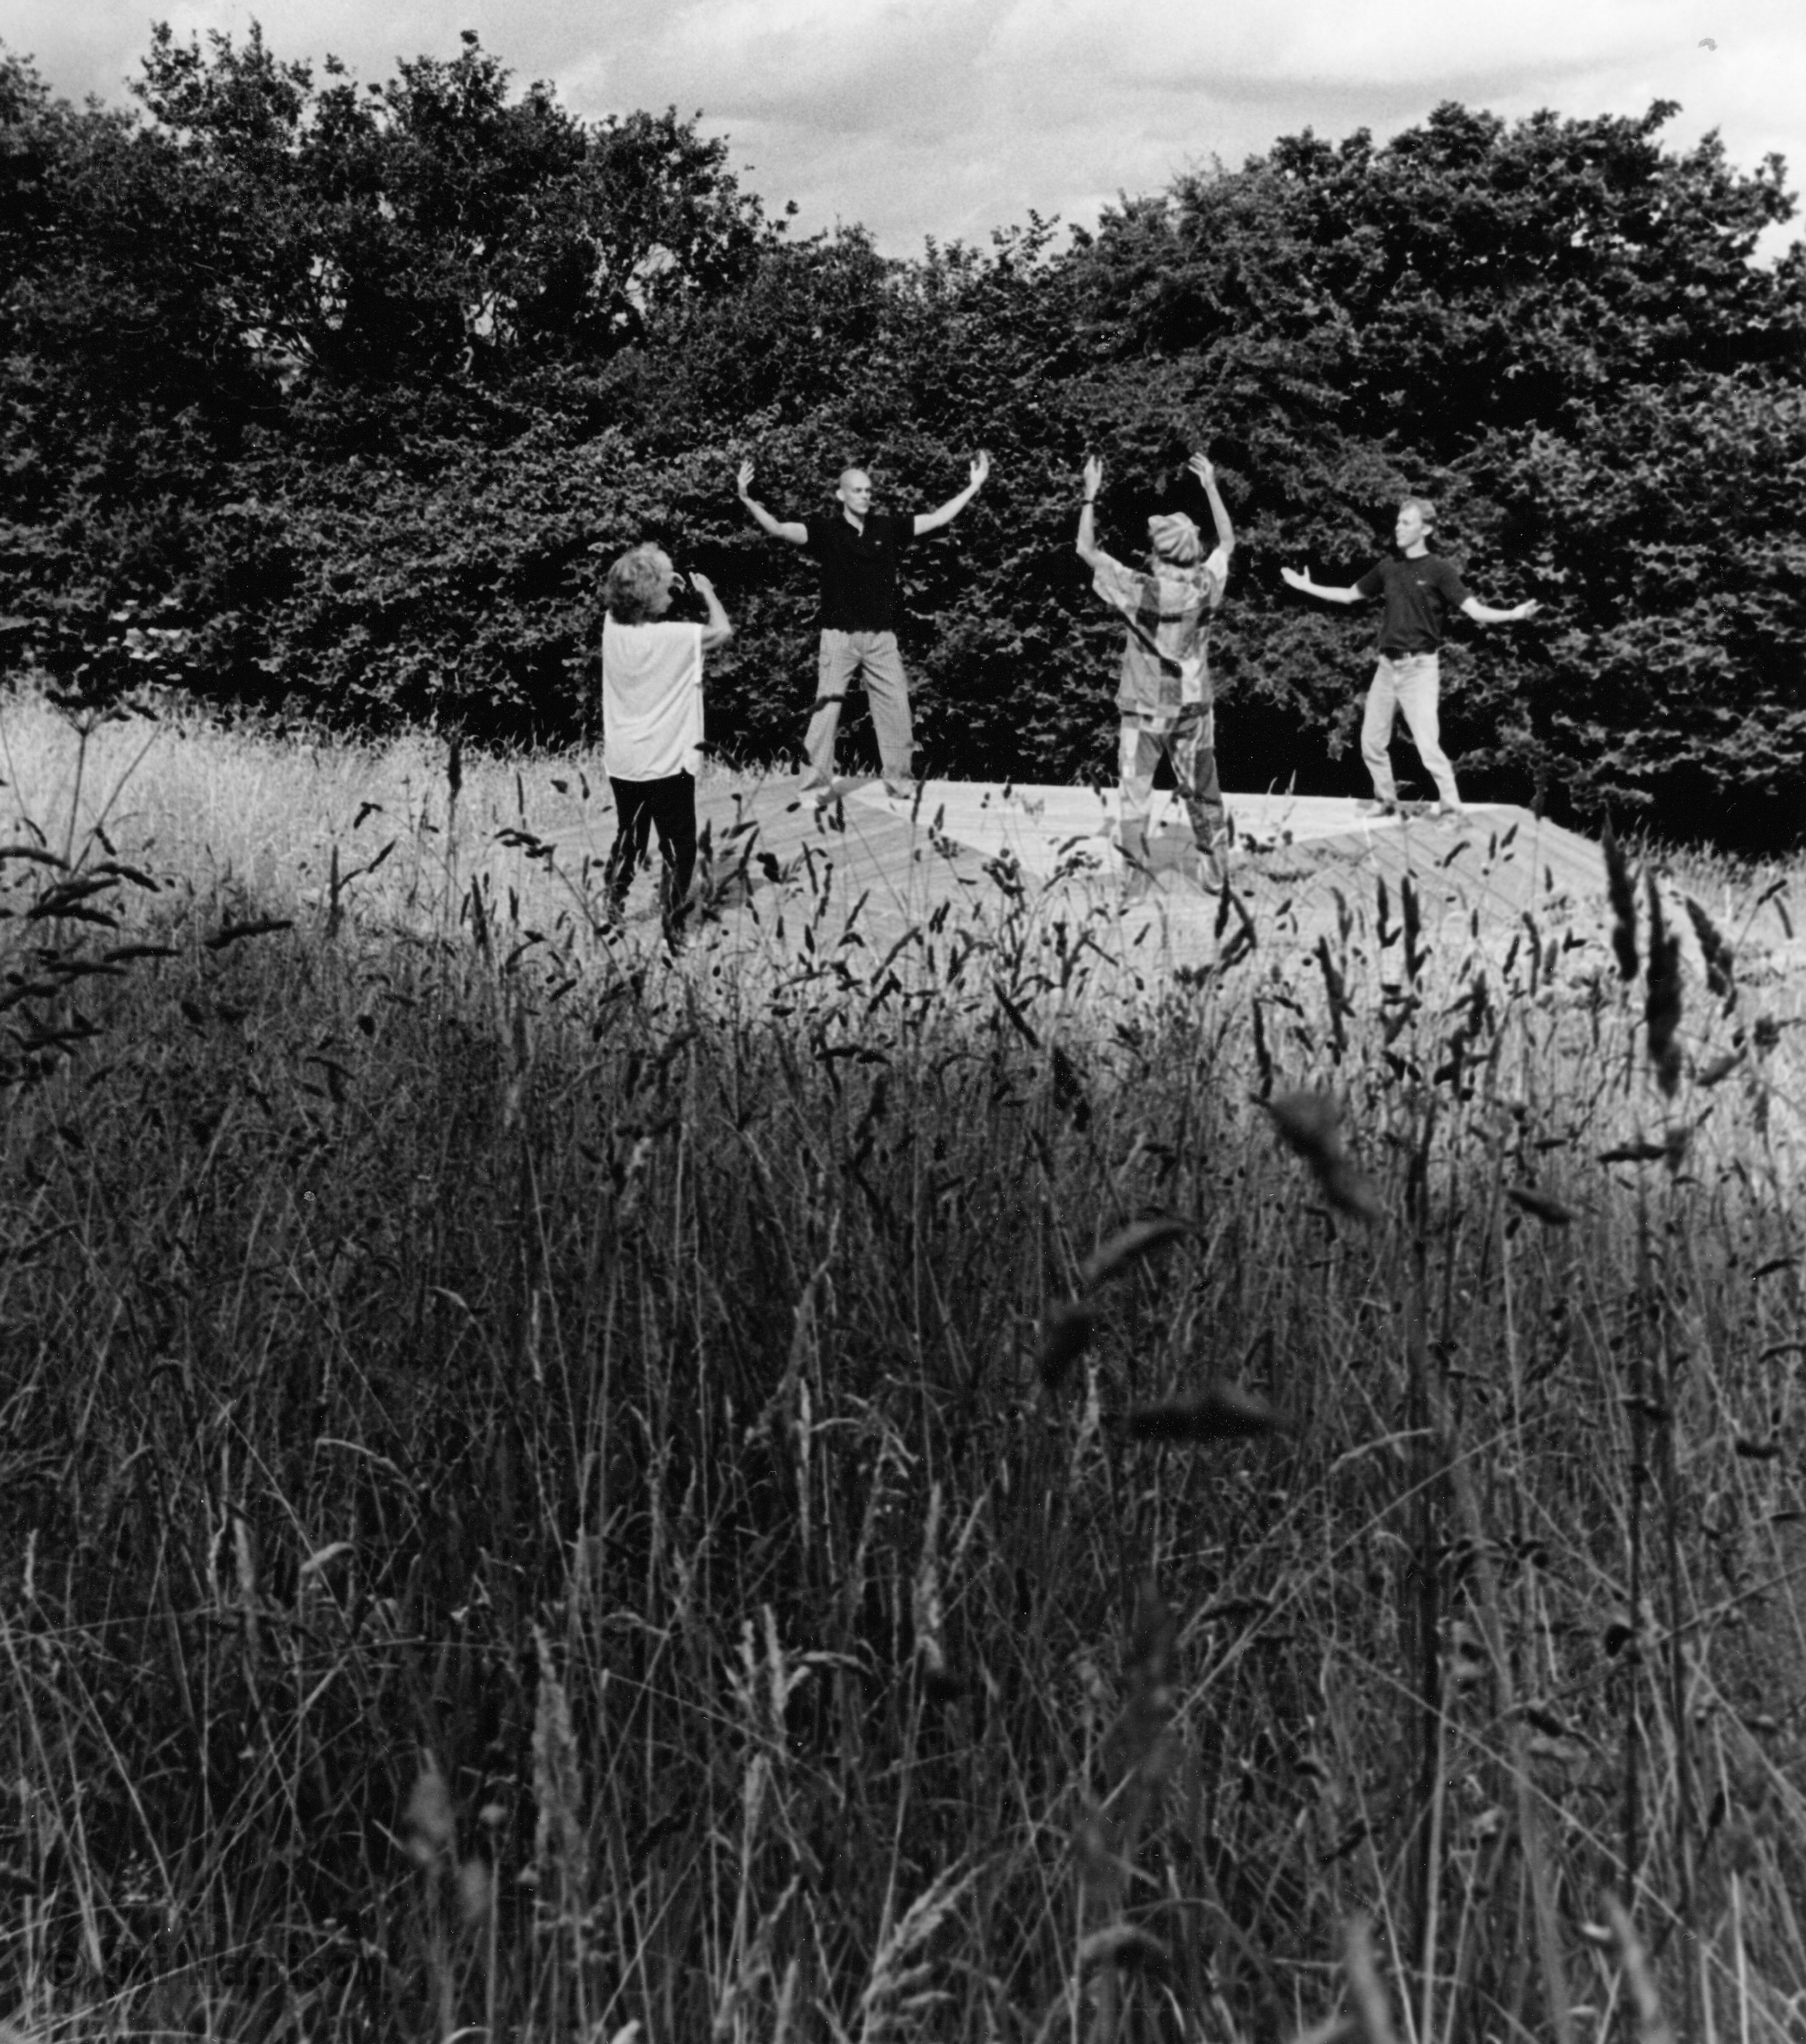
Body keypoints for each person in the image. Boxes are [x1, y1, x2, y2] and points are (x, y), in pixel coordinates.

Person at [736, 452, 990, 801]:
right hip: (839, 639)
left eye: (869, 490)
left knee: (897, 710)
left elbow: (935, 519)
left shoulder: (887, 528)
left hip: (882, 640)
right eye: (857, 490)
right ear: (841, 494)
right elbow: (779, 529)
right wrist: (747, 499)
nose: (865, 496)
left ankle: (900, 782)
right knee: (826, 712)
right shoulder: (825, 531)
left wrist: (974, 486)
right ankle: (814, 788)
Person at [1280, 499, 1539, 816]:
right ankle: (1386, 801)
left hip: (1420, 668)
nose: (1398, 528)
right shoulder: (1388, 567)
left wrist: (1513, 614)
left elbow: (1475, 611)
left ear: (1425, 529)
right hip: (1387, 667)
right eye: (1398, 522)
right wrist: (1306, 586)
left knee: (1428, 746)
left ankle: (1451, 810)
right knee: (1371, 742)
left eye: (1406, 523)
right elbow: (1349, 595)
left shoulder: (1439, 570)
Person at [1077, 450, 1236, 899]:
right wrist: (1210, 486)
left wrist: (1089, 495)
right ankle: (1215, 871)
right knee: (1203, 790)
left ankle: (1132, 881)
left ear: (1157, 553)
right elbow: (1227, 543)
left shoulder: (1140, 590)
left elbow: (1085, 550)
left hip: (1145, 708)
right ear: (1193, 551)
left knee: (1135, 795)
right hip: (1193, 707)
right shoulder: (1205, 585)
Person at [599, 543, 732, 942]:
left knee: (631, 839)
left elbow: (625, 592)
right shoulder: (676, 637)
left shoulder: (612, 628)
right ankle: (674, 927)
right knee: (679, 847)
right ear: (653, 593)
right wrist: (706, 592)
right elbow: (723, 630)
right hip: (668, 762)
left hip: (624, 760)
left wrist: (657, 576)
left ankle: (613, 906)